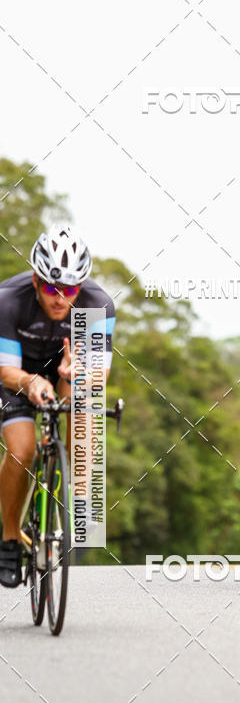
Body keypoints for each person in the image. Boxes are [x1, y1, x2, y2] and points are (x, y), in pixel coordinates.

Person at [0, 225, 115, 588]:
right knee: (22, 450)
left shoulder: (96, 304)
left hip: (65, 367)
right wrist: (31, 382)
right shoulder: (9, 300)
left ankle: (76, 495)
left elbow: (98, 376)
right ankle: (10, 538)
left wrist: (75, 375)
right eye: (51, 288)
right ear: (36, 280)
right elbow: (5, 371)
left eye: (70, 289)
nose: (60, 298)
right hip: (17, 374)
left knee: (83, 402)